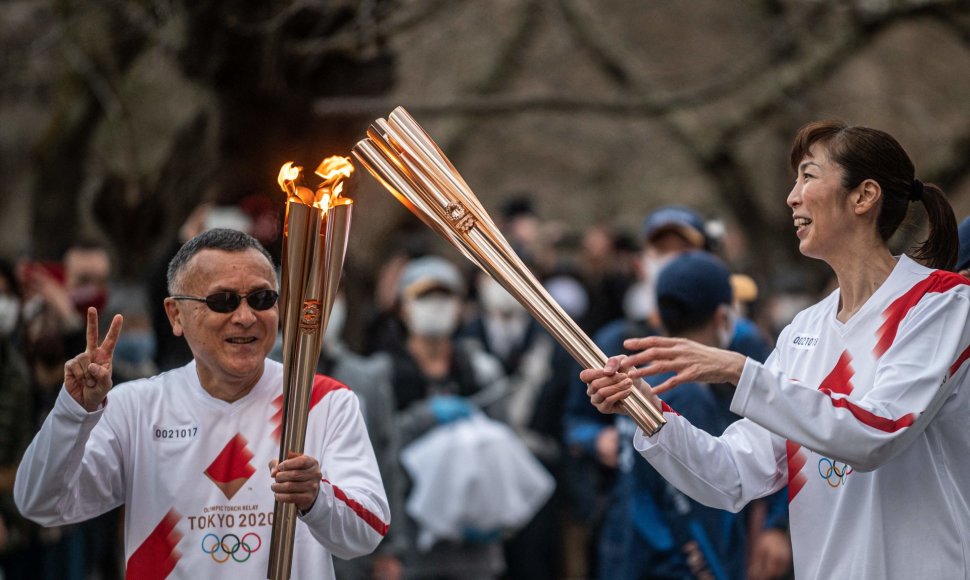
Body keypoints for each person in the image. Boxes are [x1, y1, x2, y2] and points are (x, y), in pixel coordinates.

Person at [582, 120, 970, 579]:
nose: (792, 196)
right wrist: (647, 412)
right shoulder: (804, 329)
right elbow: (733, 475)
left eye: (808, 176)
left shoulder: (942, 304)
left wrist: (737, 370)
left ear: (864, 196)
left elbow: (877, 432)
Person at [14, 228, 389, 579]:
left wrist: (315, 498)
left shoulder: (323, 401)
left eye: (262, 299)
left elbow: (366, 534)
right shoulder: (135, 408)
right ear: (175, 315)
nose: (245, 317)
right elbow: (41, 503)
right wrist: (72, 412)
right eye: (222, 301)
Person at [599, 250, 755, 580]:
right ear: (721, 317)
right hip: (676, 565)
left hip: (633, 557)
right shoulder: (685, 393)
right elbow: (703, 506)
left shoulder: (643, 383)